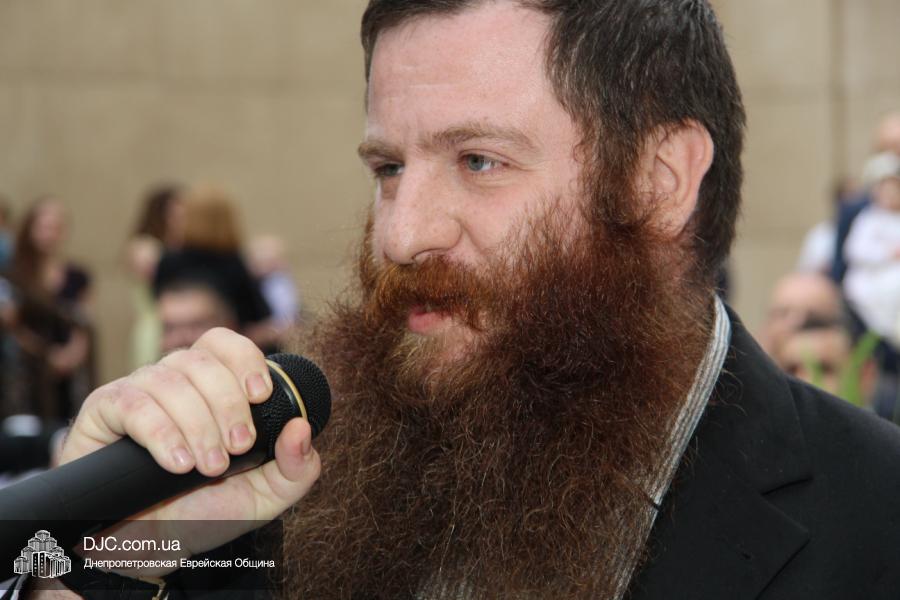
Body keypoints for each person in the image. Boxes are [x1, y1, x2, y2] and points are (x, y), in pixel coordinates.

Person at [17, 1, 900, 599]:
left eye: (479, 161)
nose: (401, 235)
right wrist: (105, 554)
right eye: (388, 167)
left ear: (658, 181)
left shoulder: (876, 521)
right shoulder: (274, 490)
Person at [152, 185, 278, 352]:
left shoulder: (168, 261)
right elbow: (259, 315)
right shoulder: (233, 264)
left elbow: (155, 303)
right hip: (226, 352)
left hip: (175, 353)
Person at [3, 199, 94, 422]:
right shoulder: (15, 276)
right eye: (44, 227)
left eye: (56, 228)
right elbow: (13, 325)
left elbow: (85, 321)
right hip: (28, 371)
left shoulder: (77, 275)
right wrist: (46, 356)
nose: (49, 234)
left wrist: (72, 355)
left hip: (71, 373)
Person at [124, 183, 185, 368]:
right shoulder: (143, 246)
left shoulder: (180, 248)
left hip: (179, 326)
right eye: (176, 215)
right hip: (154, 326)